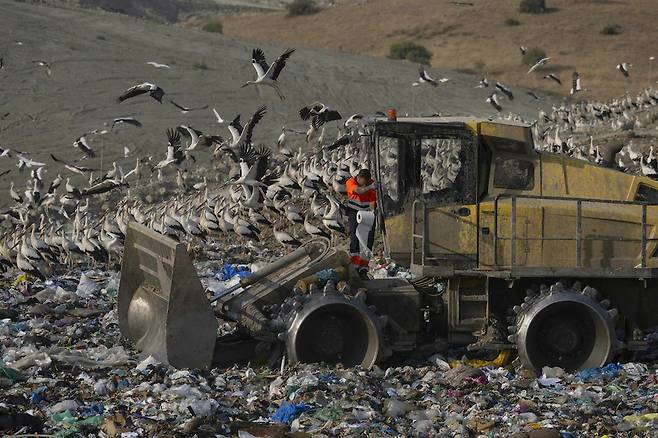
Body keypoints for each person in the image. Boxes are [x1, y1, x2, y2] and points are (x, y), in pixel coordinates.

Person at [345, 168, 377, 278]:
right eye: (362, 183)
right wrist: (370, 187)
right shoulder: (351, 182)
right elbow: (358, 191)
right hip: (354, 213)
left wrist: (373, 213)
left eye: (366, 184)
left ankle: (363, 268)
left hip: (366, 214)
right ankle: (354, 267)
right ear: (358, 178)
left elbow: (372, 201)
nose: (364, 185)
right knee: (354, 239)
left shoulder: (371, 184)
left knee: (367, 241)